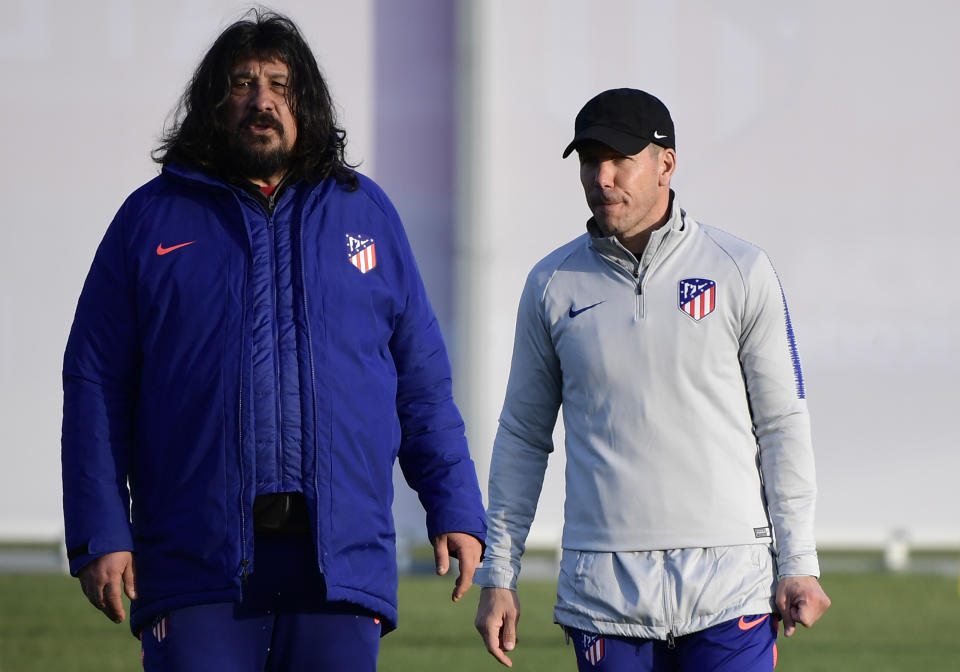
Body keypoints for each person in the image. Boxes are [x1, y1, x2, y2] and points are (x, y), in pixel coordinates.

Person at [61, 10, 485, 671]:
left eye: (280, 86)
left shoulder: (366, 213)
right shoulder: (149, 220)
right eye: (241, 84)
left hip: (338, 564)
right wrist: (100, 535)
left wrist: (454, 506)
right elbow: (95, 385)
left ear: (306, 102)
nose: (261, 101)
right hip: (196, 560)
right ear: (213, 103)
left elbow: (421, 384)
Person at [473, 88, 830, 671]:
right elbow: (522, 436)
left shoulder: (739, 269)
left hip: (730, 590)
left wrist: (799, 562)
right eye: (590, 161)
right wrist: (499, 574)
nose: (602, 176)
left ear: (666, 163)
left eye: (619, 159)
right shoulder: (551, 284)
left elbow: (782, 423)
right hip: (603, 597)